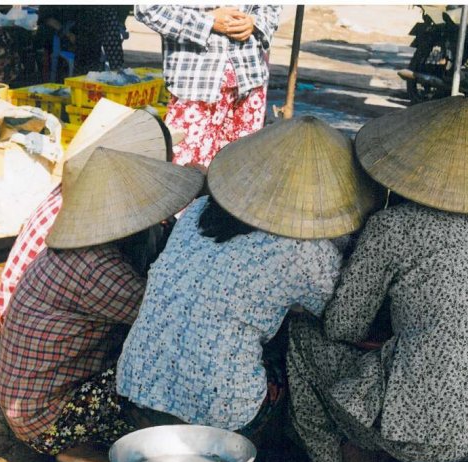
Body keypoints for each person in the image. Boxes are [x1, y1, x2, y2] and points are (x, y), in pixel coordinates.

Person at [282, 97, 468, 462]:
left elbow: (343, 326)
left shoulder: (392, 226)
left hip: (427, 437)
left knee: (303, 336)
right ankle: (360, 454)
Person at [116, 116, 382, 442]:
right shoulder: (304, 251)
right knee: (299, 343)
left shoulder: (200, 211)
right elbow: (342, 321)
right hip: (222, 418)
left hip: (139, 390)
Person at [0, 147, 204, 462]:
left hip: (31, 399)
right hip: (44, 421)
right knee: (162, 366)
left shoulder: (81, 249)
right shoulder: (96, 269)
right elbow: (168, 320)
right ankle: (77, 449)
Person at [0, 99, 173, 330]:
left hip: (24, 315)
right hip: (22, 323)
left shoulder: (79, 190)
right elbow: (160, 315)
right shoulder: (92, 248)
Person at [134, 5, 282, 168]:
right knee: (187, 174)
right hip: (196, 86)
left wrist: (254, 22)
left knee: (241, 173)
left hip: (250, 81)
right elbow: (147, 9)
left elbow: (272, 7)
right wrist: (206, 22)